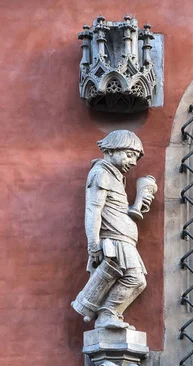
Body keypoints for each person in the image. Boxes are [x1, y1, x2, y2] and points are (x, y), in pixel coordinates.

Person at [78, 130, 153, 329]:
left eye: (135, 157)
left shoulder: (116, 177)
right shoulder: (101, 173)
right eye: (129, 155)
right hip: (113, 240)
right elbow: (93, 209)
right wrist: (93, 245)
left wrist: (136, 206)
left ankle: (111, 314)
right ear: (112, 150)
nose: (133, 162)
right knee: (135, 279)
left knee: (138, 281)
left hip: (123, 239)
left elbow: (115, 210)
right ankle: (106, 314)